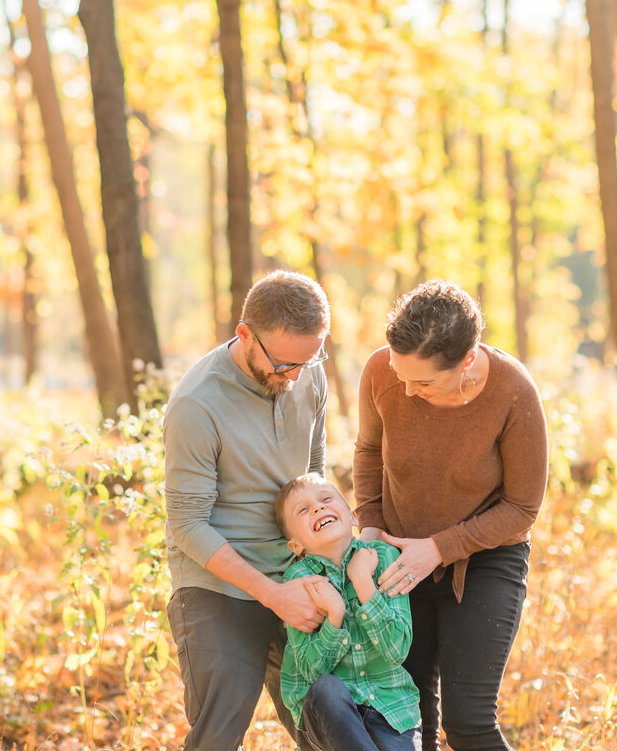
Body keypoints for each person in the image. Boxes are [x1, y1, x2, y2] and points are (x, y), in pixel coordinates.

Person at [353, 279, 548, 751]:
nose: (407, 390)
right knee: (407, 715)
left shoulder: (512, 391)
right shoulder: (382, 371)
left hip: (484, 561)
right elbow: (368, 451)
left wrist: (439, 549)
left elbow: (522, 509)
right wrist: (372, 526)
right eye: (401, 375)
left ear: (466, 360)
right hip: (398, 561)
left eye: (422, 382)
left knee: (468, 721)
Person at [164, 270, 333, 750]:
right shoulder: (197, 405)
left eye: (308, 359)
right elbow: (187, 526)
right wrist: (271, 595)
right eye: (283, 364)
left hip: (297, 570)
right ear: (244, 335)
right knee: (218, 734)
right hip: (217, 582)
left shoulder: (308, 369)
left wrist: (326, 556)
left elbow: (314, 471)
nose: (297, 375)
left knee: (327, 726)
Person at [274, 472, 422, 751]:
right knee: (327, 689)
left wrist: (364, 584)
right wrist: (334, 616)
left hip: (392, 709)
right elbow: (309, 671)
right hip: (329, 716)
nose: (318, 508)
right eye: (303, 510)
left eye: (326, 499)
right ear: (296, 546)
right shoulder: (298, 582)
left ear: (353, 516)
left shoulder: (384, 558)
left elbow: (397, 650)